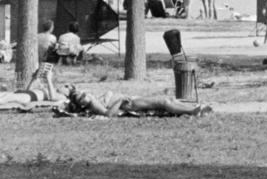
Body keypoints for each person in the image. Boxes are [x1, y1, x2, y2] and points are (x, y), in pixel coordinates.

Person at [60, 86, 212, 118]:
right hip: (130, 104)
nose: (84, 94)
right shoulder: (92, 103)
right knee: (164, 102)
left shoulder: (91, 99)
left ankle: (194, 108)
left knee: (168, 100)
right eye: (81, 95)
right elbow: (108, 114)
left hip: (130, 100)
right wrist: (119, 100)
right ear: (81, 102)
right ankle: (193, 111)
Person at [0, 65, 64, 109]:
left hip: (28, 97)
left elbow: (53, 98)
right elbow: (28, 90)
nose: (62, 86)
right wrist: (33, 79)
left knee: (6, 98)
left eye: (66, 87)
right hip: (25, 94)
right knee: (4, 94)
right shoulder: (52, 89)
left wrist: (49, 79)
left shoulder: (62, 96)